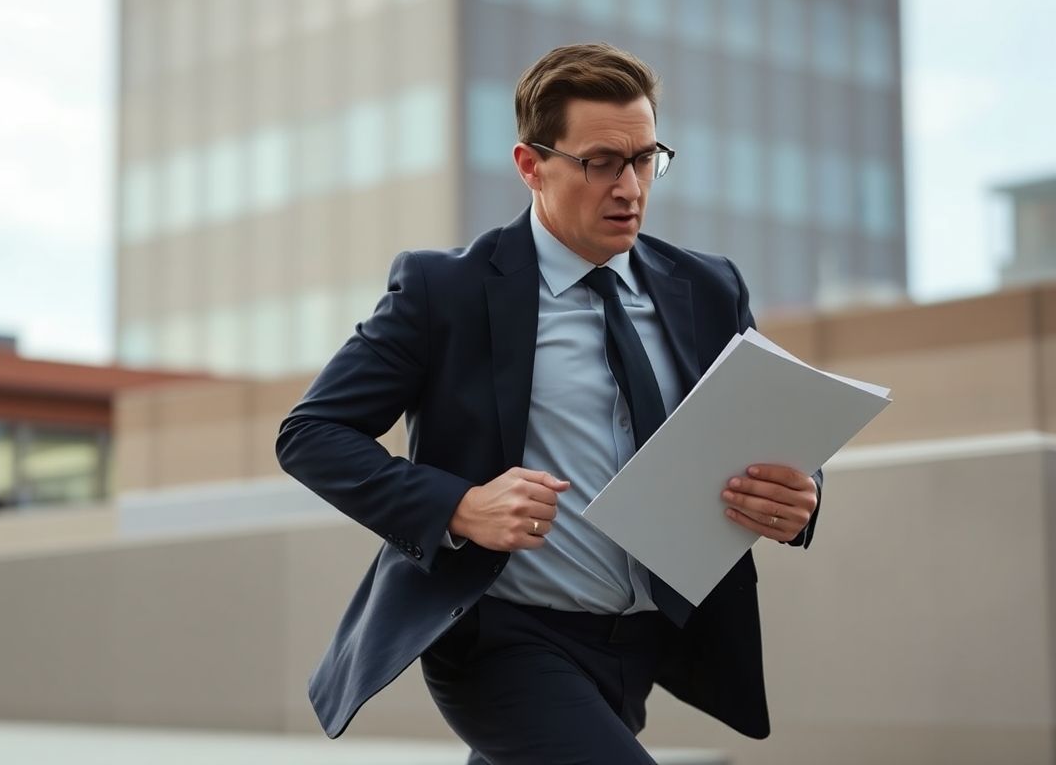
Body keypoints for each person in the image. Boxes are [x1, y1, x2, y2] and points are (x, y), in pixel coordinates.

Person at [276, 43, 823, 765]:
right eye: (601, 162)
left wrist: (802, 499)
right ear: (531, 165)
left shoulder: (708, 288)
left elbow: (767, 423)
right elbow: (311, 433)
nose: (629, 187)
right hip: (500, 642)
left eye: (645, 159)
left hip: (638, 649)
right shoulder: (448, 292)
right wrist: (459, 506)